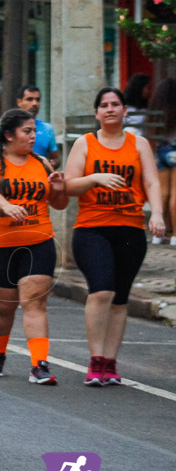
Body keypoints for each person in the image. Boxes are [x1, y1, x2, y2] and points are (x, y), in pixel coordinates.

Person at [64, 87, 165, 386]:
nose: (109, 109)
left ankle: (110, 363)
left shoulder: (139, 143)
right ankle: (95, 361)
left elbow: (151, 181)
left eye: (115, 104)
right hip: (91, 227)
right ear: (96, 113)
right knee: (102, 289)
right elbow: (69, 186)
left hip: (131, 227)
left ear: (124, 111)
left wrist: (157, 214)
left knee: (120, 299)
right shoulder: (85, 143)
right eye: (104, 105)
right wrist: (95, 178)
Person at [0, 109, 69, 384]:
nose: (34, 136)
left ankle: (39, 365)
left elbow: (59, 204)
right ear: (9, 135)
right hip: (1, 244)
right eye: (27, 131)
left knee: (35, 302)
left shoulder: (42, 163)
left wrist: (58, 188)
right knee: (4, 307)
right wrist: (5, 206)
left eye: (35, 131)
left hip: (39, 241)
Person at [0, 85, 61, 168]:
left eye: (37, 100)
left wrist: (49, 165)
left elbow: (56, 158)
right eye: (29, 99)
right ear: (19, 102)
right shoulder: (6, 129)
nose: (34, 103)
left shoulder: (47, 128)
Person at [147, 78, 176, 245]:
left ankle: (159, 234)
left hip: (160, 152)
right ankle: (175, 236)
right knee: (175, 195)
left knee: (163, 193)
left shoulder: (157, 108)